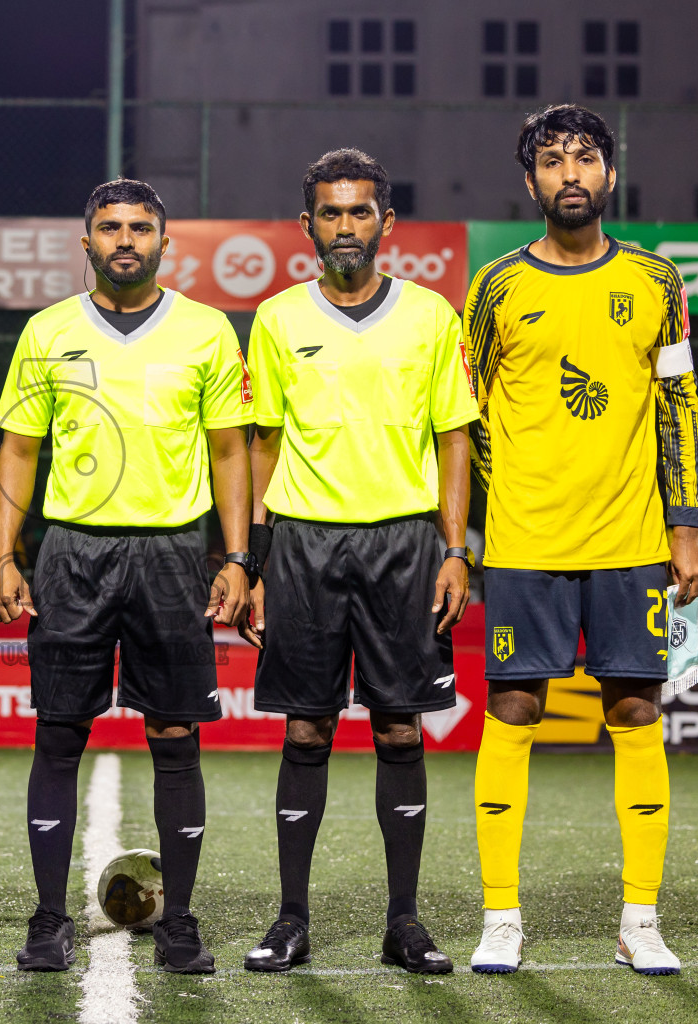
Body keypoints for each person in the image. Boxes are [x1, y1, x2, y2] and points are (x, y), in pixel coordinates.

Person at [464, 105, 698, 976]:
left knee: (637, 712)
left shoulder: (657, 280)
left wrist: (685, 524)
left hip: (633, 539)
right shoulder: (495, 286)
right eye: (553, 159)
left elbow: (678, 405)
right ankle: (501, 917)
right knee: (513, 710)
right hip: (526, 544)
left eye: (587, 157)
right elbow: (469, 417)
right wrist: (491, 517)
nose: (572, 172)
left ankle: (639, 919)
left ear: (610, 175)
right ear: (529, 181)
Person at [0, 178, 254, 975]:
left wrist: (239, 557)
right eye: (111, 228)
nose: (126, 240)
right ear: (88, 242)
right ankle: (46, 920)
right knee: (58, 737)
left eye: (141, 227)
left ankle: (179, 923)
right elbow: (19, 451)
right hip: (73, 550)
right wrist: (2, 553)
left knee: (176, 738)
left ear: (164, 242)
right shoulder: (47, 331)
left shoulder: (208, 331)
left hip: (173, 554)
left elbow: (232, 451)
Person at [239, 149, 478, 975]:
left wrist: (456, 549)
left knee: (399, 726)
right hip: (305, 544)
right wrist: (257, 562)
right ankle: (291, 919)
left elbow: (455, 438)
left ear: (387, 222)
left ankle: (404, 922)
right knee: (306, 729)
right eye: (331, 213)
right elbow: (261, 444)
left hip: (405, 545)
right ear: (307, 226)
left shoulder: (431, 317)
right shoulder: (275, 319)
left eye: (361, 211)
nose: (347, 226)